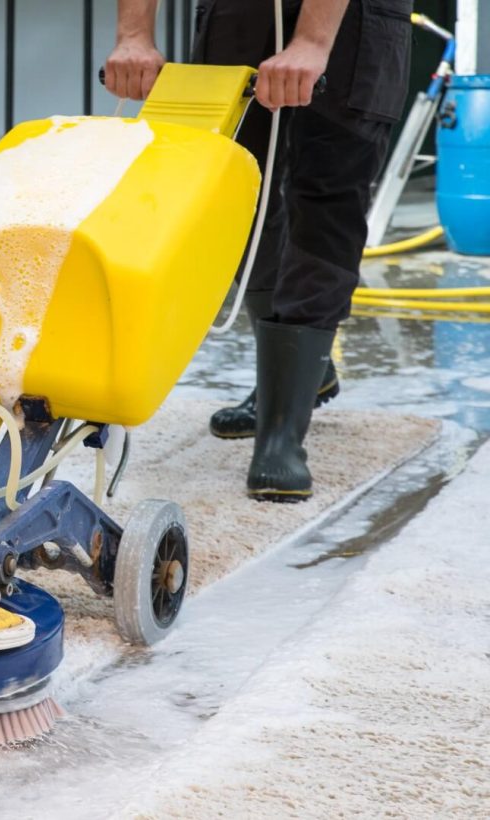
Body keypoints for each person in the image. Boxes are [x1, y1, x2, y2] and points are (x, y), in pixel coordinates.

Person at [105, 0, 412, 502]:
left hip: (357, 17)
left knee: (327, 197)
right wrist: (133, 34)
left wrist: (312, 43)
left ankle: (281, 435)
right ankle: (294, 382)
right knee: (234, 187)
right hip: (239, 11)